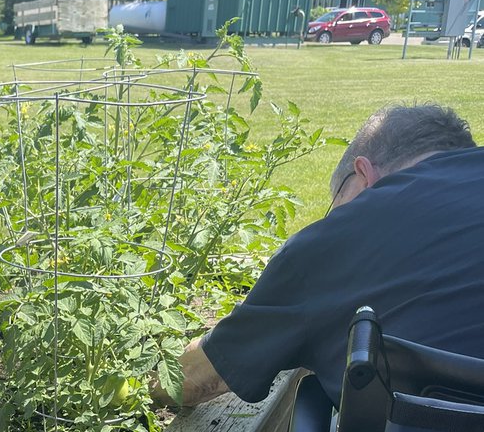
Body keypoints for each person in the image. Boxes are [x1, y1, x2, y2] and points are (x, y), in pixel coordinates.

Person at [159, 103, 482, 408]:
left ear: (363, 174)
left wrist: (133, 375)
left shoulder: (346, 234)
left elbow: (191, 380)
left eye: (337, 200)